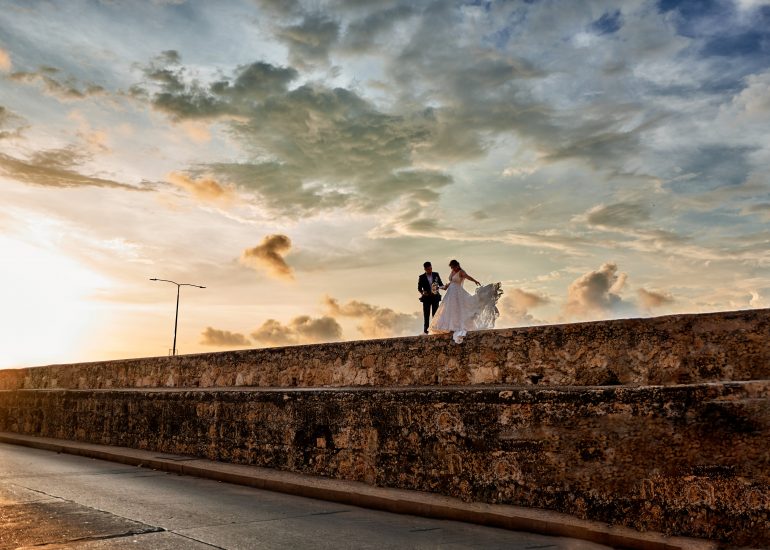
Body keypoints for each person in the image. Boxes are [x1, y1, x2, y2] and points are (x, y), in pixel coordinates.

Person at [429, 259, 502, 343]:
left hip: (457, 293)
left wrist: (475, 281)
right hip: (450, 294)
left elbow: (468, 277)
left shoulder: (461, 272)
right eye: (451, 267)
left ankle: (456, 326)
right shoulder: (452, 272)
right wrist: (438, 287)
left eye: (454, 267)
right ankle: (449, 327)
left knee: (458, 309)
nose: (453, 269)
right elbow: (448, 284)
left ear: (457, 265)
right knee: (450, 310)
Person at [417, 261, 444, 334]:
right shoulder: (421, 277)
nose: (430, 270)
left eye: (431, 268)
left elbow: (441, 284)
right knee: (426, 315)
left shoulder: (436, 274)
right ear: (425, 269)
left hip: (435, 297)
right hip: (426, 298)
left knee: (435, 315)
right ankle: (426, 332)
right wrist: (422, 292)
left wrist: (444, 287)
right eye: (428, 269)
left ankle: (435, 330)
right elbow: (419, 288)